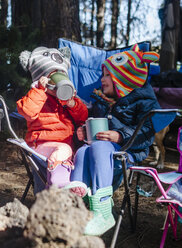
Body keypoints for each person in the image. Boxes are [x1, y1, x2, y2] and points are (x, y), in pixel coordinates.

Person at [70, 44, 161, 236]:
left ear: (123, 77)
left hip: (125, 156)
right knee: (83, 151)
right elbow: (94, 126)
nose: (101, 79)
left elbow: (147, 132)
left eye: (107, 75)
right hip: (99, 154)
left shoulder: (144, 102)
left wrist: (120, 136)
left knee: (100, 147)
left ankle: (102, 211)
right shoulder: (103, 100)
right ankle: (75, 205)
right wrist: (83, 132)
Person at [17, 46, 88, 195]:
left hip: (65, 148)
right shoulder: (37, 95)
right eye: (53, 75)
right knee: (64, 150)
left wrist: (72, 103)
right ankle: (58, 187)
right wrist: (40, 90)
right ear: (42, 79)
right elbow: (28, 112)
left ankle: (73, 190)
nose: (58, 79)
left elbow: (83, 117)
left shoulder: (67, 100)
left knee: (80, 153)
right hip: (40, 145)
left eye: (62, 74)